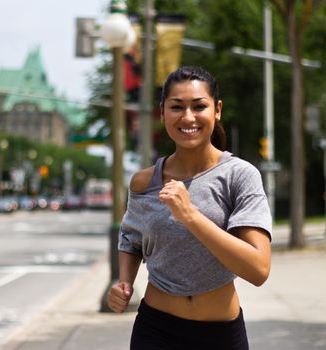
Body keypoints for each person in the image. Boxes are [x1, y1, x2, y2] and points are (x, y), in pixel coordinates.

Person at [106, 66, 272, 349]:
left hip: (221, 335)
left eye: (199, 106)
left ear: (217, 110)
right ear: (162, 113)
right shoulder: (144, 182)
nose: (188, 117)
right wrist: (123, 282)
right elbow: (131, 239)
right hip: (155, 331)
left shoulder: (240, 176)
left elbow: (258, 269)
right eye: (176, 107)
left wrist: (190, 216)